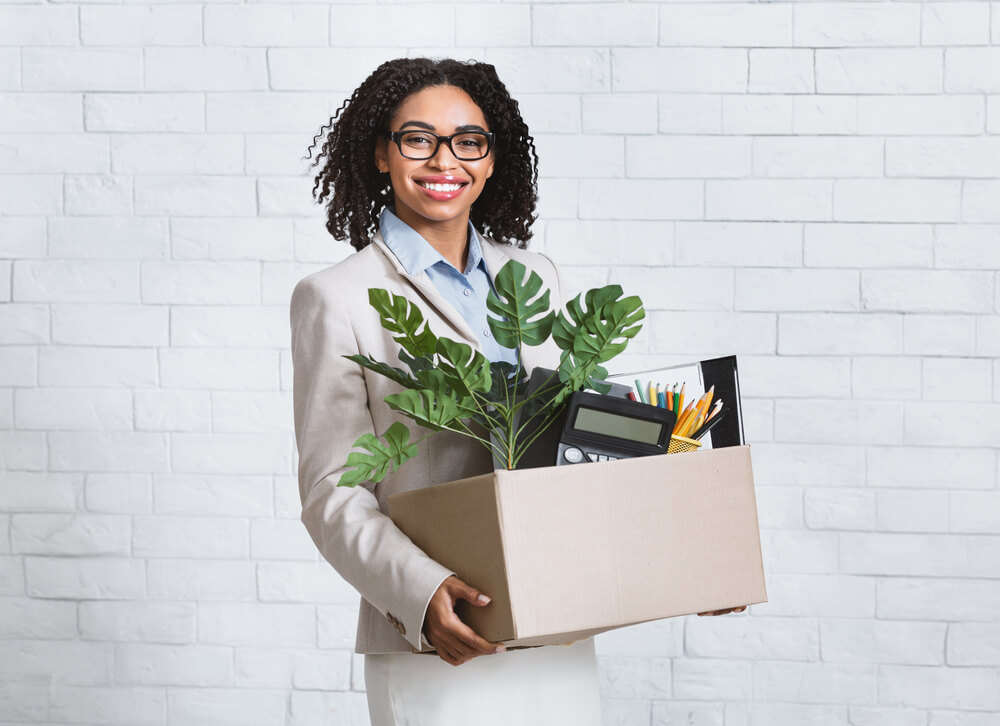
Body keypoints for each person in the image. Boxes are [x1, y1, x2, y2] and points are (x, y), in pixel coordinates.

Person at [289, 57, 743, 726]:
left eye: (469, 141)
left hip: (557, 622)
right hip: (445, 637)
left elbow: (579, 442)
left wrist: (697, 555)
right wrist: (421, 592)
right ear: (381, 154)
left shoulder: (535, 276)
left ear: (494, 159)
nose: (445, 160)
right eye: (418, 139)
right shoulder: (337, 297)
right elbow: (332, 491)